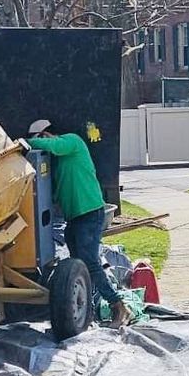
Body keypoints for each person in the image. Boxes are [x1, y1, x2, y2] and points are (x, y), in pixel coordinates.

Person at [25, 119, 127, 330]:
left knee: (89, 263)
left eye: (39, 139)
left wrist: (25, 143)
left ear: (45, 135)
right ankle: (85, 312)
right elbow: (54, 192)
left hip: (89, 213)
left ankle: (118, 305)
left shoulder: (72, 142)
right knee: (77, 266)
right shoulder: (61, 162)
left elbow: (53, 146)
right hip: (75, 218)